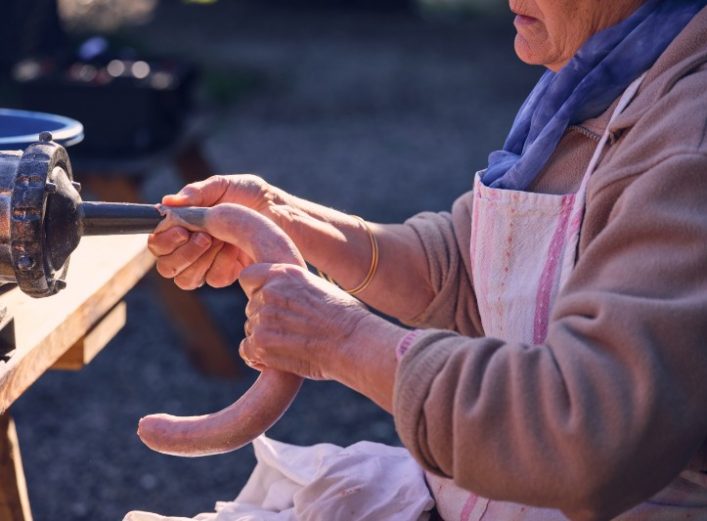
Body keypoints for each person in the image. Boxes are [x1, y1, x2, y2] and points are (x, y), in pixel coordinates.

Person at [131, 0, 707, 519]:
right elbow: (468, 272)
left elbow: (585, 435)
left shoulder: (688, 134)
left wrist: (341, 338)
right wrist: (285, 216)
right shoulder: (607, 72)